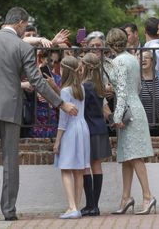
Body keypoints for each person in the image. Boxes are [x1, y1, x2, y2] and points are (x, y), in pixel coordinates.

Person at [0, 7, 78, 221]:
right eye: (25, 26)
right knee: (10, 161)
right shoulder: (22, 47)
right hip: (10, 105)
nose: (25, 29)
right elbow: (37, 81)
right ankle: (9, 211)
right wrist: (60, 103)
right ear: (19, 22)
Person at [105, 28, 156, 215]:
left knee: (134, 156)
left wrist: (117, 117)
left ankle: (148, 196)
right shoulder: (133, 59)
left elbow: (123, 92)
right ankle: (126, 198)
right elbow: (137, 86)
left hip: (127, 111)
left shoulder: (117, 62)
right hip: (136, 107)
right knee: (128, 156)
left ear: (110, 44)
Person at [53, 56, 90, 219]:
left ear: (64, 69)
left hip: (70, 130)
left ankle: (72, 206)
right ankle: (77, 206)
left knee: (66, 167)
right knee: (79, 170)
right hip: (83, 128)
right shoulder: (81, 88)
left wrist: (57, 141)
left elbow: (63, 120)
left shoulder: (65, 90)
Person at [80, 53, 112, 216]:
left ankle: (90, 204)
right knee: (97, 165)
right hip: (100, 128)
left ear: (84, 66)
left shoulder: (84, 86)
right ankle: (95, 206)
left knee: (86, 166)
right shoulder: (100, 85)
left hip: (89, 129)